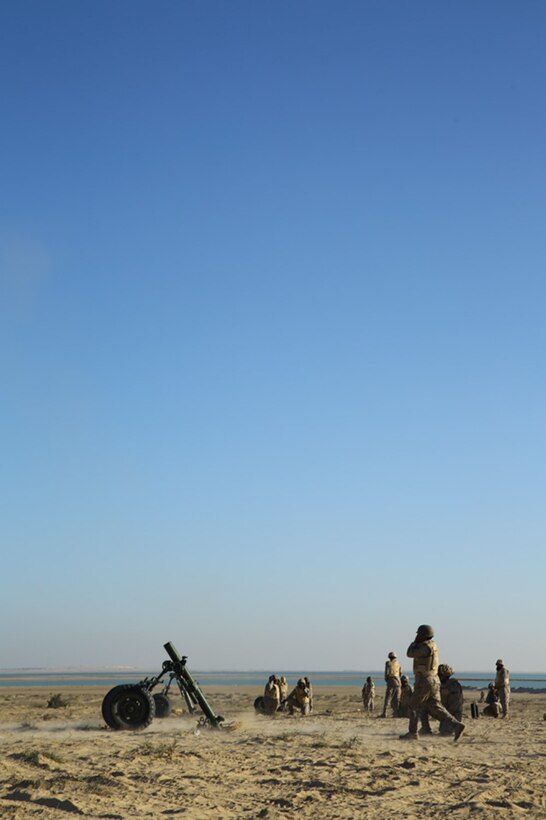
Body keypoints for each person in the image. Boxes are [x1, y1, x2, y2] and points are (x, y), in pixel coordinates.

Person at [400, 624, 465, 742]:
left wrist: (414, 642)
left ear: (423, 635)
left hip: (425, 680)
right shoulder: (432, 645)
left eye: (418, 634)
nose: (417, 636)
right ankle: (456, 725)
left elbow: (409, 653)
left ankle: (412, 733)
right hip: (434, 680)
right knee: (436, 707)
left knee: (412, 706)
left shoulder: (425, 647)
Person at [438, 664, 464, 735]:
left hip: (453, 715)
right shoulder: (443, 685)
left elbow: (455, 703)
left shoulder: (453, 685)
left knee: (445, 732)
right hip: (447, 714)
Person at [381, 652, 402, 717]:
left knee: (388, 697)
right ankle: (396, 713)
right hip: (398, 682)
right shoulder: (398, 663)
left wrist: (387, 680)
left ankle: (385, 713)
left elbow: (386, 673)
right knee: (397, 698)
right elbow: (400, 673)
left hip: (391, 681)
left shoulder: (388, 663)